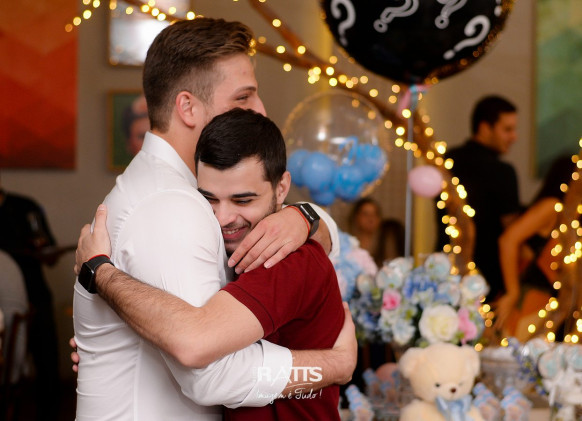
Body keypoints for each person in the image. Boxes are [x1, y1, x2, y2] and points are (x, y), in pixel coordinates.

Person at [72, 18, 353, 421]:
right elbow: (210, 376)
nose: (260, 109)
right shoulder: (171, 206)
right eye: (243, 97)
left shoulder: (191, 191)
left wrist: (305, 217)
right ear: (187, 107)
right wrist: (333, 367)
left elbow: (322, 244)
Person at [437, 95, 521, 301]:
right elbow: (512, 230)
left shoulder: (447, 160)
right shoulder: (502, 171)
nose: (514, 137)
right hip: (486, 282)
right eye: (507, 129)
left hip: (443, 273)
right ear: (484, 128)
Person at [495, 155, 577, 339]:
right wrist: (512, 291)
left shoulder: (570, 217)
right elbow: (508, 240)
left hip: (549, 307)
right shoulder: (553, 207)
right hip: (528, 302)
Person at [0, 181, 61, 420]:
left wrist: (43, 251)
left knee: (47, 364)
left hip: (35, 295)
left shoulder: (25, 207)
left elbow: (50, 253)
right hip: (4, 304)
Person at [348, 198, 405, 267]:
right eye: (365, 214)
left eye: (375, 214)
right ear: (356, 217)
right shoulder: (348, 243)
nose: (370, 218)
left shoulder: (385, 244)